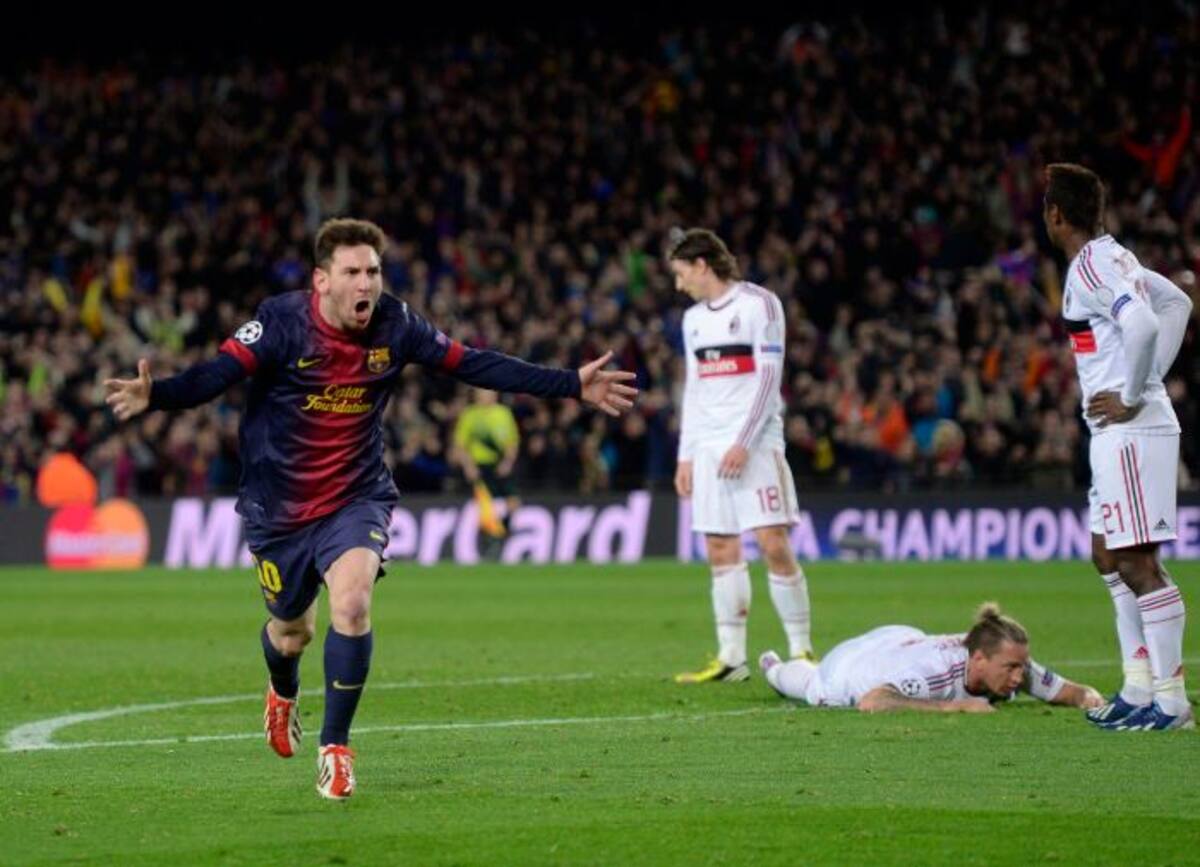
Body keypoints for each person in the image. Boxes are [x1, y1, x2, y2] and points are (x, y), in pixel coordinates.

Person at [103, 218, 638, 798]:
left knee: (353, 604)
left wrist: (568, 384)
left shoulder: (397, 324)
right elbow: (217, 375)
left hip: (356, 496)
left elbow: (472, 362)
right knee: (290, 632)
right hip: (278, 507)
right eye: (353, 273)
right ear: (321, 280)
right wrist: (157, 394)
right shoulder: (282, 321)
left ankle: (336, 749)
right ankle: (282, 690)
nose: (366, 285)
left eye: (374, 272)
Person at [1043, 164, 1194, 730]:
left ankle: (1172, 701)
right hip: (1116, 433)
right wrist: (1148, 380)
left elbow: (1146, 327)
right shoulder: (1115, 258)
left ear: (1056, 214)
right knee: (1107, 554)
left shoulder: (1090, 267)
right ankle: (1137, 685)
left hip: (1131, 431)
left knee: (1137, 563)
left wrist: (1135, 392)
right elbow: (1176, 302)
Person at [667, 228, 814, 684]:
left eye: (680, 274)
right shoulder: (693, 320)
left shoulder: (759, 305)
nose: (678, 285)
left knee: (772, 541)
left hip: (754, 443)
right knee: (719, 546)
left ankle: (802, 650)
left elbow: (770, 380)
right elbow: (694, 387)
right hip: (709, 448)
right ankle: (732, 658)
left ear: (701, 265)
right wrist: (686, 455)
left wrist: (743, 442)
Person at [759, 603, 1105, 714]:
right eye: (1011, 668)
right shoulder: (938, 674)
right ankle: (774, 668)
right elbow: (872, 701)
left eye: (1021, 667)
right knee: (811, 684)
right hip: (848, 671)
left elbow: (1069, 692)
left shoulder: (1006, 658)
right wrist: (956, 706)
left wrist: (1089, 698)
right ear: (980, 659)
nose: (1019, 677)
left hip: (898, 641)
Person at [452, 387, 520, 544]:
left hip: (499, 464)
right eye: (480, 394)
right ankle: (486, 539)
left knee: (513, 502)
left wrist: (507, 463)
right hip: (479, 466)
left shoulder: (503, 413)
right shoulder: (470, 414)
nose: (483, 397)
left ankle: (502, 533)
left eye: (486, 394)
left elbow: (512, 442)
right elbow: (461, 445)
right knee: (483, 506)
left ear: (495, 395)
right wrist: (469, 466)